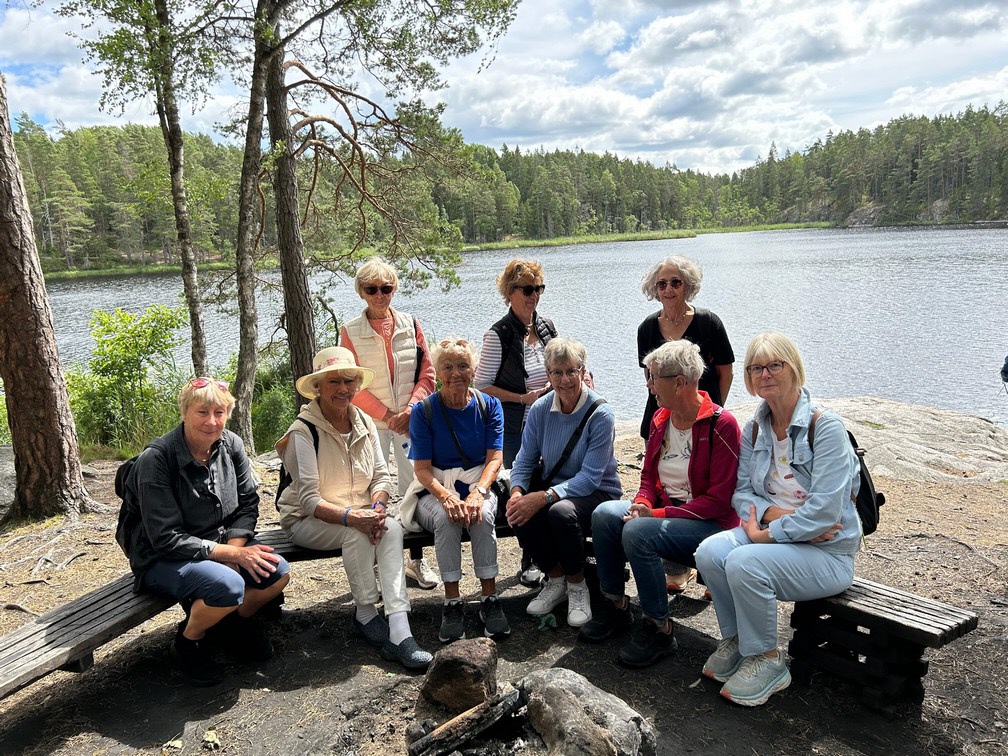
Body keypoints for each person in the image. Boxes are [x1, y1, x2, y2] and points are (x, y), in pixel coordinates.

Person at [694, 333, 862, 707]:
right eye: (756, 367)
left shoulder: (826, 428)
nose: (764, 374)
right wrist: (779, 518)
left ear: (793, 367)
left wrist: (767, 535)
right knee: (709, 553)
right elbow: (741, 495)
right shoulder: (755, 428)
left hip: (829, 554)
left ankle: (768, 659)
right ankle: (740, 640)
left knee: (745, 562)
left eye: (774, 364)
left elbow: (826, 513)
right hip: (780, 533)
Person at [118, 378, 291, 687]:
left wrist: (234, 551)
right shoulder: (157, 460)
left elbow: (248, 503)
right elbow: (166, 537)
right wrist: (231, 555)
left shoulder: (231, 444)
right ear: (184, 412)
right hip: (162, 556)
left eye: (219, 412)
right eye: (202, 412)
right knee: (227, 585)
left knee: (277, 572)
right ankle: (190, 640)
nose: (212, 421)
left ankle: (233, 624)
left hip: (221, 542)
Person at [580, 340, 741, 667]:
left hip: (711, 526)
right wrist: (642, 502)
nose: (649, 385)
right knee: (604, 515)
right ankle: (616, 606)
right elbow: (648, 479)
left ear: (680, 382)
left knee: (638, 532)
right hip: (666, 515)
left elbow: (718, 502)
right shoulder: (660, 419)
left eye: (653, 378)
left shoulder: (721, 425)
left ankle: (659, 628)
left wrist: (653, 514)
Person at [275, 347, 432, 671]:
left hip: (359, 512)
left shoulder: (364, 422)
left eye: (349, 381)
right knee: (356, 534)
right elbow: (309, 500)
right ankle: (365, 612)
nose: (343, 389)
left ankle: (400, 629)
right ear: (318, 387)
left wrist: (377, 509)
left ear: (357, 385)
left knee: (390, 529)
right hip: (306, 521)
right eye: (334, 382)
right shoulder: (304, 431)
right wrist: (353, 518)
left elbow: (381, 476)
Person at [400, 338, 510, 643]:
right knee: (446, 517)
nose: (455, 373)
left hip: (478, 482)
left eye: (463, 365)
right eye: (447, 366)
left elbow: (495, 459)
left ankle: (489, 597)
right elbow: (422, 470)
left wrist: (479, 492)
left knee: (481, 514)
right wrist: (446, 496)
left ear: (473, 370)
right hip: (434, 489)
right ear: (438, 372)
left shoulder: (489, 406)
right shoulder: (424, 411)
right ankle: (452, 601)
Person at [506, 338, 622, 628]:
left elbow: (590, 477)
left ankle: (577, 585)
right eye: (557, 372)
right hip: (556, 489)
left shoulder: (601, 414)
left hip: (598, 491)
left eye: (571, 371)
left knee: (560, 512)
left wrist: (544, 497)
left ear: (583, 371)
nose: (565, 379)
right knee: (519, 510)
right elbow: (524, 460)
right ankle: (556, 579)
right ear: (548, 374)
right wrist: (517, 492)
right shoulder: (540, 409)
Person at [339, 255, 439, 590]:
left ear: (394, 289)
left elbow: (428, 374)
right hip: (371, 426)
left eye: (386, 288)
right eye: (372, 289)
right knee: (371, 492)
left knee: (416, 489)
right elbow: (349, 384)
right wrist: (386, 416)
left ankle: (416, 560)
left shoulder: (411, 324)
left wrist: (410, 410)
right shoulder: (350, 332)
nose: (380, 295)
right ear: (361, 292)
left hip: (411, 422)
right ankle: (378, 567)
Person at [637, 254, 734, 591]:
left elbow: (724, 372)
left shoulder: (709, 323)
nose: (668, 289)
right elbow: (649, 378)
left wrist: (714, 412)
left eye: (675, 282)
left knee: (705, 487)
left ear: (687, 286)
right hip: (662, 416)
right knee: (668, 485)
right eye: (662, 283)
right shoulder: (647, 328)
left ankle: (711, 571)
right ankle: (676, 566)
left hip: (704, 417)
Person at [475, 258, 555, 587]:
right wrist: (523, 398)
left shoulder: (547, 327)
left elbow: (557, 365)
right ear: (509, 293)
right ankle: (530, 559)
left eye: (538, 288)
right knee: (522, 487)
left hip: (550, 421)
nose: (534, 295)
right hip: (515, 426)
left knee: (548, 483)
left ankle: (553, 557)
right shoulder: (498, 335)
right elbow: (481, 387)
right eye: (527, 289)